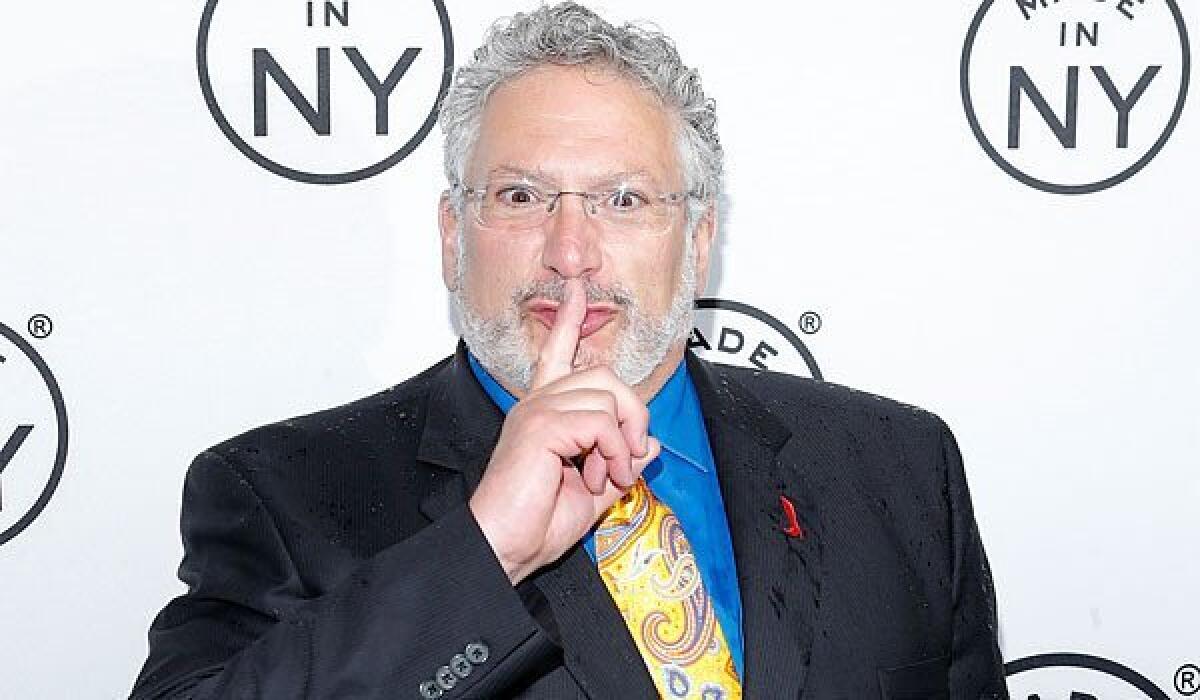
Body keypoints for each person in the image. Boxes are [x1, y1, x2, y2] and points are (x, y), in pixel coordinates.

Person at [131, 3, 1009, 698]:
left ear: (699, 240)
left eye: (623, 202)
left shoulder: (897, 469)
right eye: (520, 196)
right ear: (452, 236)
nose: (571, 251)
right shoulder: (286, 494)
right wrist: (486, 549)